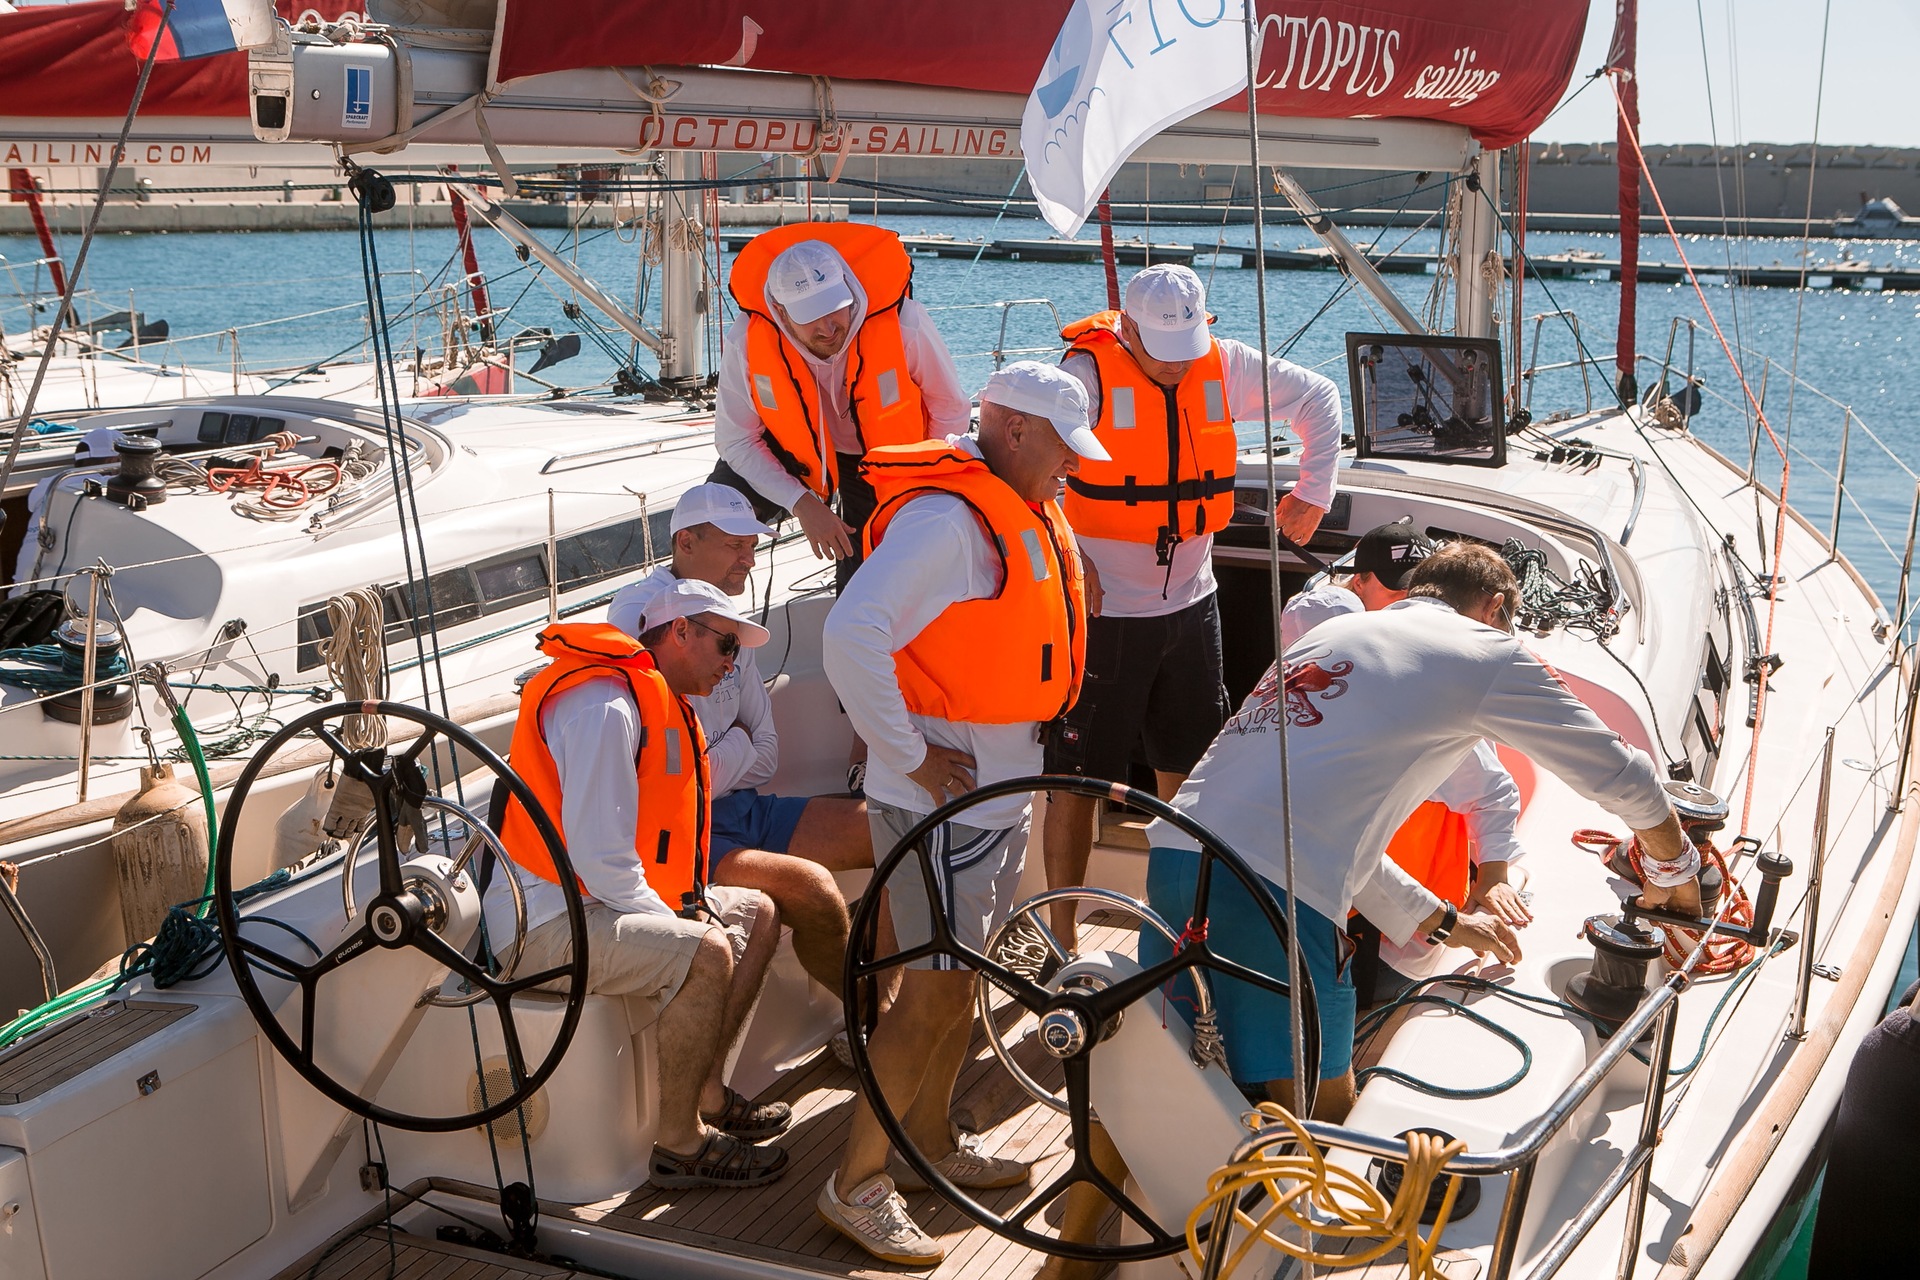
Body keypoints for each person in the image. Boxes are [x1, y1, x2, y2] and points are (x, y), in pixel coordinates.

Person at [1143, 542, 1697, 1121]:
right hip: (1272, 898)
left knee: (1162, 1068)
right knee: (1319, 1111)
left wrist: (1451, 926)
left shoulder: (1332, 636)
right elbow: (1622, 774)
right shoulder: (1486, 651)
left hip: (1175, 858)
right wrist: (1677, 870)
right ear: (1494, 606)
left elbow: (1327, 843)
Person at [815, 361, 1107, 1264]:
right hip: (942, 809)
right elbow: (849, 633)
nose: (1073, 466)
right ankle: (854, 1185)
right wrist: (908, 755)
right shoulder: (949, 522)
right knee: (934, 992)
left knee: (958, 983)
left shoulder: (1012, 506)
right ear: (1014, 430)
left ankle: (929, 1144)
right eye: (1064, 447)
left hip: (990, 799)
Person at [1042, 263, 1344, 949]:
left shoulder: (1225, 364)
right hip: (1104, 618)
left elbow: (1319, 396)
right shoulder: (1083, 377)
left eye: (1186, 350)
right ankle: (1061, 936)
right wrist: (1071, 554)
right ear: (1127, 328)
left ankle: (1186, 930)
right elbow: (1029, 473)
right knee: (1077, 784)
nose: (1177, 366)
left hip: (1191, 610)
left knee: (1192, 776)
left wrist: (1313, 491)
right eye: (1161, 352)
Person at [491, 578, 793, 1189]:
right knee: (706, 951)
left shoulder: (650, 700)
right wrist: (678, 921)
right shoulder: (604, 707)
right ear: (680, 631)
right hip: (545, 924)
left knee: (758, 913)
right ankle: (681, 1145)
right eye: (726, 645)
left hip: (598, 904)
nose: (732, 665)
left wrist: (684, 909)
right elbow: (600, 857)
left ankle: (707, 1094)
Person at [607, 482, 869, 997]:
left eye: (752, 546)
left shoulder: (728, 620)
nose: (748, 560)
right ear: (685, 542)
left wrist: (721, 753)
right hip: (687, 834)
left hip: (744, 807)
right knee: (813, 889)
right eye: (734, 545)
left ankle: (886, 1002)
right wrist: (736, 743)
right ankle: (873, 1018)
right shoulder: (639, 614)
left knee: (901, 830)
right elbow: (666, 776)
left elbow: (766, 754)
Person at [1279, 521, 1533, 1003]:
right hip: (1359, 919)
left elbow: (1492, 790)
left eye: (1414, 591)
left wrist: (1493, 878)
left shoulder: (1414, 682)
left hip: (1388, 929)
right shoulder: (1379, 678)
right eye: (1395, 590)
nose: (1405, 603)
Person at [714, 224, 971, 592]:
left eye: (835, 309)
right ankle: (698, 616)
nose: (827, 328)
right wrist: (802, 503)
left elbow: (949, 408)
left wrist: (923, 485)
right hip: (792, 448)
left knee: (872, 575)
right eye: (809, 315)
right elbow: (736, 440)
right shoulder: (748, 341)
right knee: (713, 515)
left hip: (883, 459)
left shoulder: (905, 323)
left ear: (849, 289)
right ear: (781, 312)